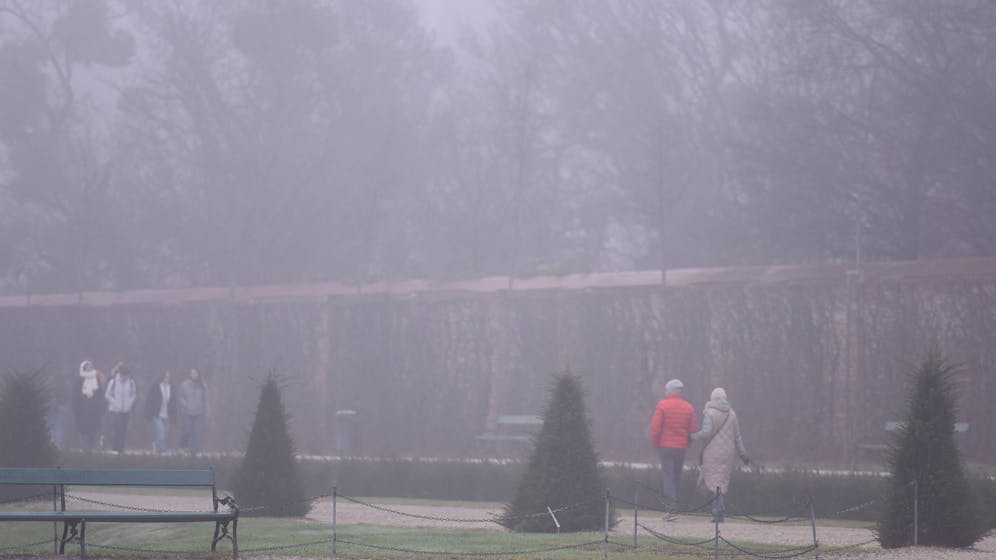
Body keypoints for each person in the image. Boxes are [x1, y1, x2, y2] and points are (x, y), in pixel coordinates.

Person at [690, 387, 750, 523]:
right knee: (720, 482)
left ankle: (717, 510)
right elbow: (737, 437)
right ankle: (719, 510)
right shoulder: (732, 414)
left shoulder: (709, 413)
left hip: (712, 452)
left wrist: (692, 436)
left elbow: (706, 433)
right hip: (728, 454)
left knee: (712, 481)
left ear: (712, 398)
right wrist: (743, 454)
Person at [650, 378, 697, 520]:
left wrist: (656, 443)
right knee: (676, 477)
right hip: (680, 448)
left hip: (665, 447)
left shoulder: (662, 406)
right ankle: (675, 507)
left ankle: (671, 509)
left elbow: (655, 428)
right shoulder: (689, 407)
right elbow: (693, 429)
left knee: (668, 478)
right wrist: (687, 443)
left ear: (669, 391)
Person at [73, 359, 107, 451]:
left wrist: (101, 407)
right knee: (83, 429)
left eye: (91, 367)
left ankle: (92, 447)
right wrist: (76, 408)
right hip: (83, 410)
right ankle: (84, 447)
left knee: (93, 429)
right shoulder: (80, 380)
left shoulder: (97, 379)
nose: (89, 368)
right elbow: (75, 395)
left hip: (94, 410)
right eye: (87, 367)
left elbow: (100, 393)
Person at [104, 363, 137, 454]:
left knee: (123, 430)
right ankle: (114, 448)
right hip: (115, 410)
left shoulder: (131, 382)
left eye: (127, 375)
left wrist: (129, 403)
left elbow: (133, 394)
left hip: (126, 411)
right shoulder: (113, 382)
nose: (125, 377)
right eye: (123, 375)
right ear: (120, 374)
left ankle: (120, 449)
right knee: (116, 429)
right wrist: (115, 403)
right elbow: (107, 395)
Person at [145, 370, 176, 454]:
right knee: (161, 433)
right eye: (166, 377)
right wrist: (148, 413)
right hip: (157, 414)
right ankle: (163, 451)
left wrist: (174, 415)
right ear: (162, 377)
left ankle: (156, 446)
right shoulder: (156, 386)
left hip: (167, 415)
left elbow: (173, 403)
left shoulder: (172, 388)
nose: (167, 378)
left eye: (169, 377)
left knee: (164, 435)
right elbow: (150, 400)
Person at [178, 367, 208, 456]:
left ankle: (195, 451)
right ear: (189, 374)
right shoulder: (184, 384)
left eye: (195, 373)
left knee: (198, 433)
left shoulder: (203, 385)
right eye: (192, 373)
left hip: (199, 413)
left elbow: (206, 399)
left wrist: (207, 411)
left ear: (198, 374)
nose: (194, 374)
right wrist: (185, 404)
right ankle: (184, 446)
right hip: (187, 413)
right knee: (188, 431)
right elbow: (180, 397)